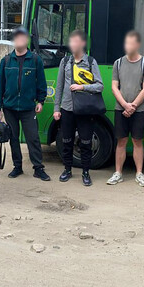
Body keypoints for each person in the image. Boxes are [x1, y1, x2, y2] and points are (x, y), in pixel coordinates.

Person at [0, 26, 50, 181]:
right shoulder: (6, 61)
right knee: (13, 138)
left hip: (28, 108)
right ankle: (17, 167)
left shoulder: (35, 60)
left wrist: (41, 100)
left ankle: (38, 168)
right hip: (9, 108)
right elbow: (0, 86)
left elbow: (41, 83)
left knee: (33, 138)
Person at [53, 30, 103, 186]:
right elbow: (59, 86)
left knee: (86, 142)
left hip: (85, 109)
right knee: (66, 141)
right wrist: (56, 108)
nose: (72, 44)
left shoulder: (91, 62)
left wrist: (82, 87)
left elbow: (100, 86)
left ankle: (86, 172)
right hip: (67, 108)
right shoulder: (65, 62)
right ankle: (67, 170)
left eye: (75, 41)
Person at [107, 30, 144, 187]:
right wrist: (125, 105)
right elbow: (114, 87)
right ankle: (118, 173)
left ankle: (139, 173)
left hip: (139, 110)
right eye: (126, 43)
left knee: (137, 141)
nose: (128, 46)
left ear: (138, 45)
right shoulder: (118, 63)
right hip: (121, 109)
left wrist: (132, 106)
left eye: (131, 43)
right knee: (121, 141)